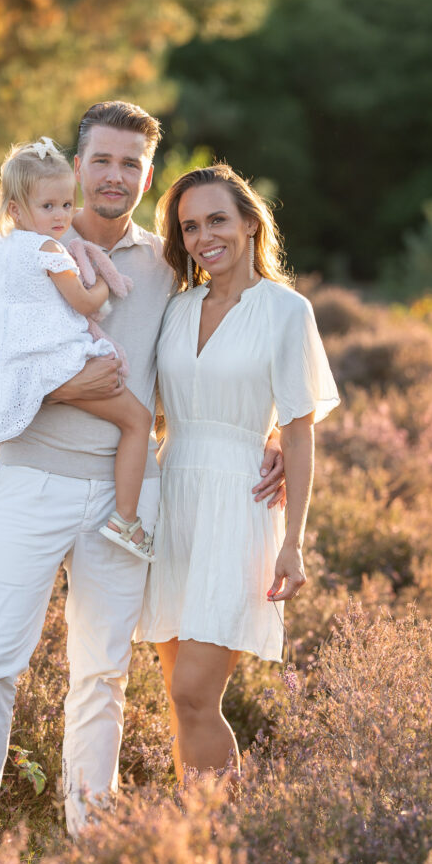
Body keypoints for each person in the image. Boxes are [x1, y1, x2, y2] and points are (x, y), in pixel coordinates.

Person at [0, 103, 285, 856]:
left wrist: (273, 435)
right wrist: (67, 388)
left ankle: (89, 837)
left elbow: (235, 330)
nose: (113, 175)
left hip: (127, 495)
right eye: (101, 160)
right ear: (78, 162)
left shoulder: (168, 263)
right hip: (28, 480)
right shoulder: (25, 247)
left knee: (100, 675)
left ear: (146, 176)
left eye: (130, 164)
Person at [138, 164, 340, 785]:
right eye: (191, 226)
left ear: (251, 223)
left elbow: (300, 426)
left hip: (239, 503)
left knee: (197, 692)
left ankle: (225, 840)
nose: (204, 237)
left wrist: (294, 543)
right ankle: (195, 844)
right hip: (173, 498)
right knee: (179, 696)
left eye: (217, 220)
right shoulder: (175, 308)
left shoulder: (286, 310)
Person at [0, 137, 154, 563]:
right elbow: (86, 305)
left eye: (67, 205)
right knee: (138, 421)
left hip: (8, 356)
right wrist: (105, 279)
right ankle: (126, 520)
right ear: (16, 209)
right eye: (48, 206)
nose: (61, 216)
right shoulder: (51, 251)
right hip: (54, 358)